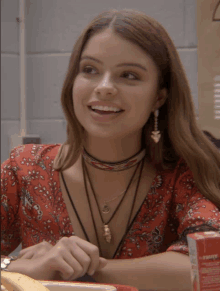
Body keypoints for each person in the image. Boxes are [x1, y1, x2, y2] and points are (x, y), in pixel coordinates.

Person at [1, 8, 220, 291]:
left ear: (159, 96)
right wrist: (22, 268)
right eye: (90, 70)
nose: (104, 88)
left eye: (128, 75)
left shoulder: (184, 173)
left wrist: (84, 267)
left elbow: (207, 265)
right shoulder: (25, 168)